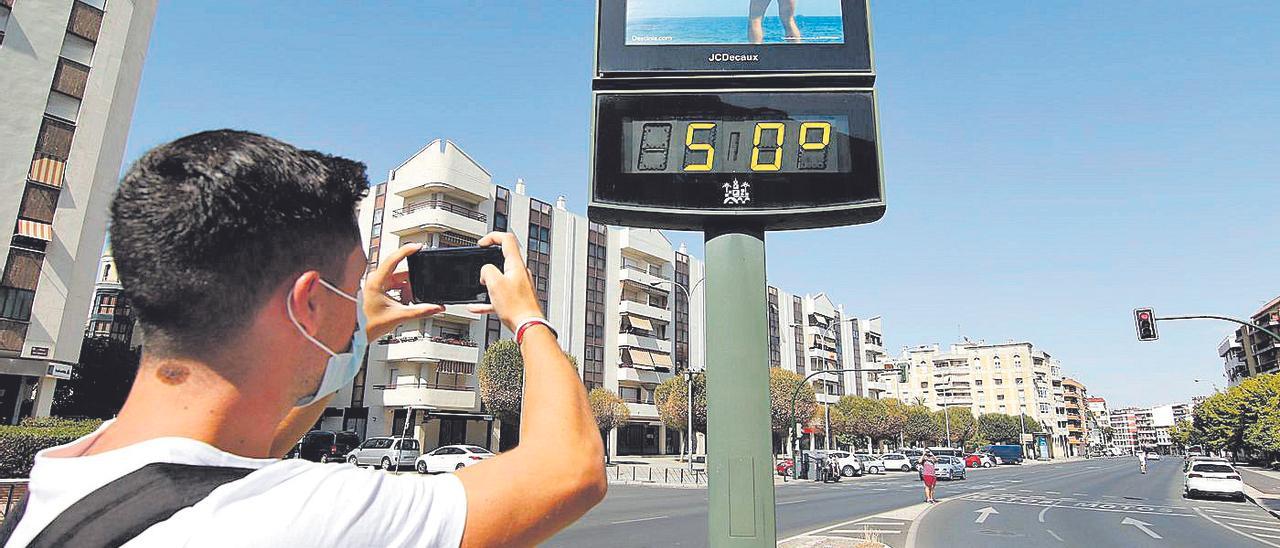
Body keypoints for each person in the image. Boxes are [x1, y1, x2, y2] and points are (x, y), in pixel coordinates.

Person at [0, 131, 606, 547]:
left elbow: (243, 451)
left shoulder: (64, 476)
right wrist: (528, 318)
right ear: (309, 303)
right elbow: (570, 470)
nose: (357, 308)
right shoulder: (294, 517)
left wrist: (355, 336)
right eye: (352, 288)